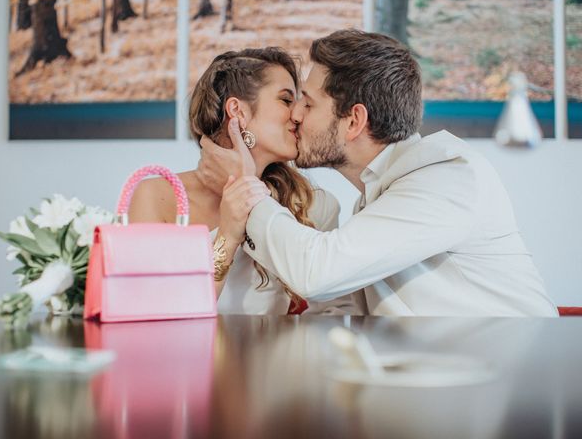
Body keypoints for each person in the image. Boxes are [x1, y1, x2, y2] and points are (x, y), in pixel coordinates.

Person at [199, 29, 557, 316]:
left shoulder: (447, 177)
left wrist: (247, 188)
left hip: (517, 389)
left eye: (308, 103)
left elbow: (316, 273)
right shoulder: (375, 200)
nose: (296, 115)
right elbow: (341, 309)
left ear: (354, 121)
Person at [129, 47, 363, 315]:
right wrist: (227, 236)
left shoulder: (314, 206)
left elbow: (334, 314)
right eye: (286, 100)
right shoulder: (158, 196)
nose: (298, 115)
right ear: (237, 111)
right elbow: (151, 315)